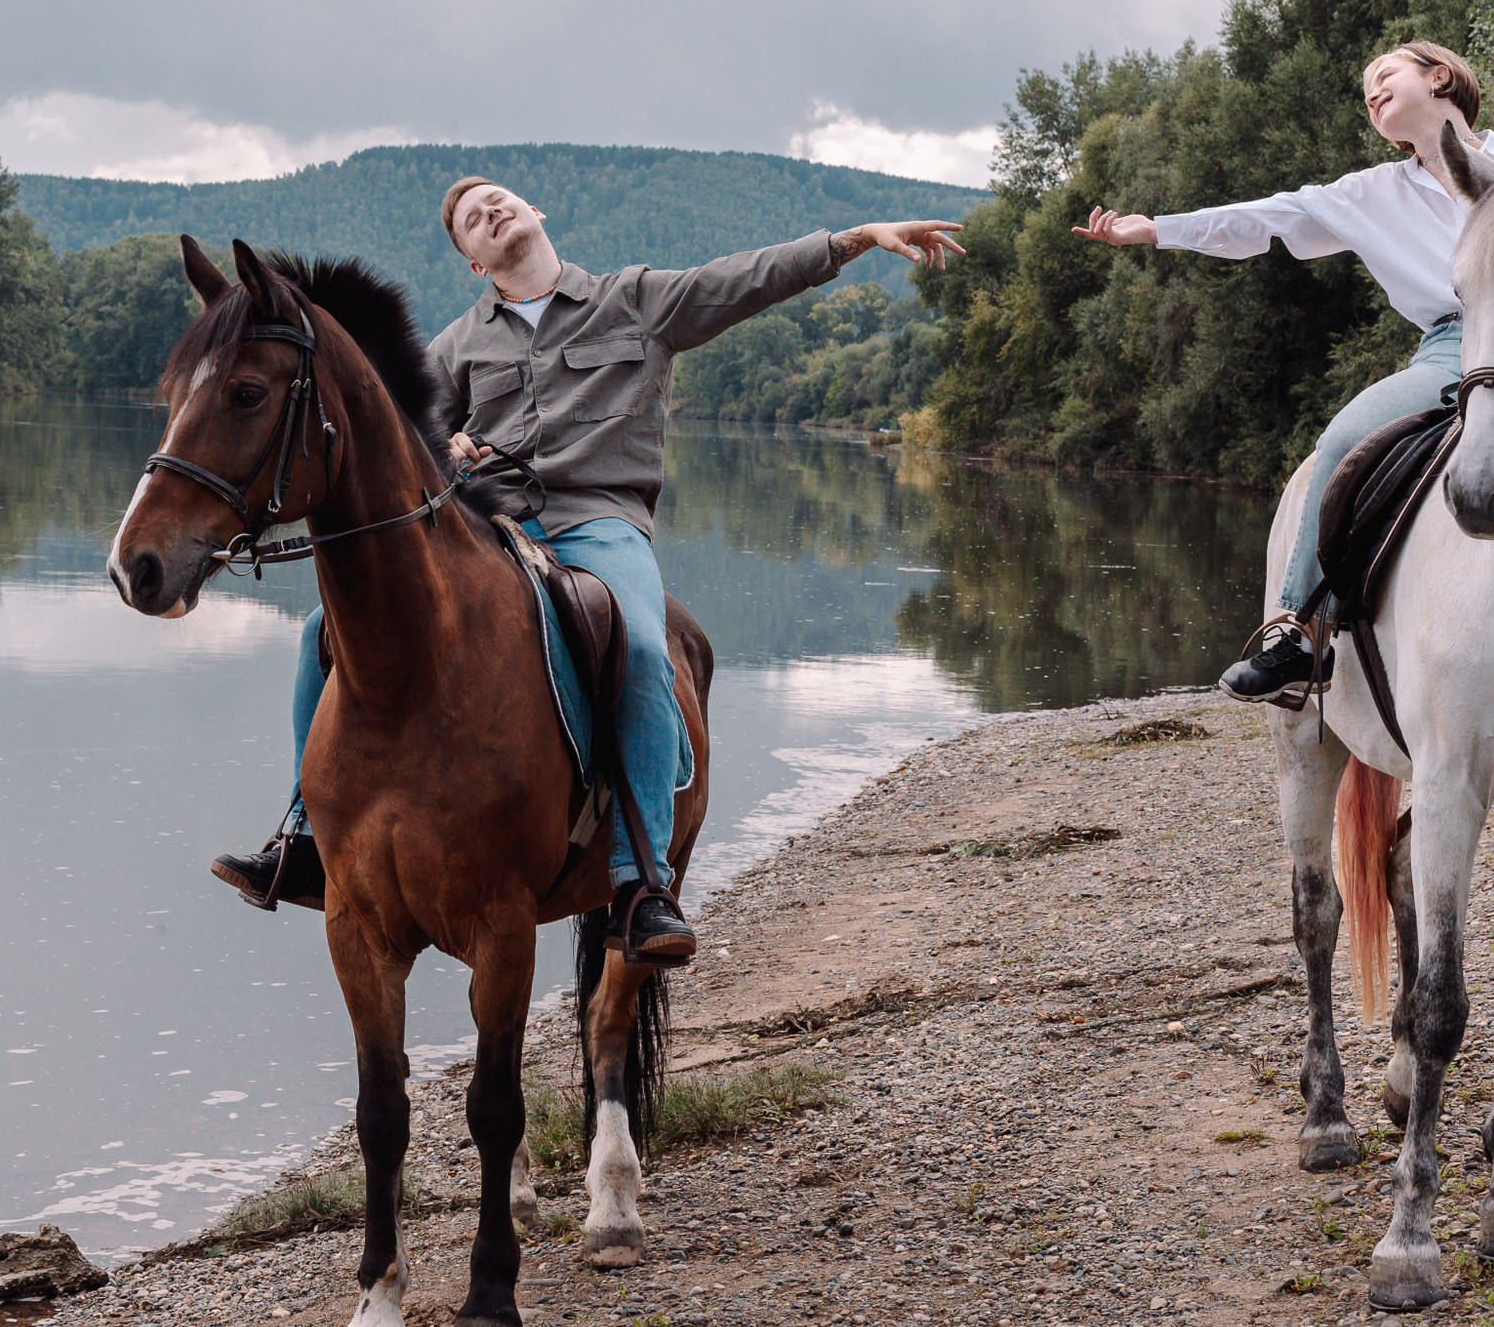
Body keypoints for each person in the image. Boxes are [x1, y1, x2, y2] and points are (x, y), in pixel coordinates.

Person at [212, 179, 966, 958]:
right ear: (473, 261)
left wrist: (860, 236)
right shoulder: (453, 347)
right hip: (491, 525)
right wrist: (446, 445)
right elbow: (385, 433)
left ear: (538, 210)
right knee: (316, 632)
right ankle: (305, 839)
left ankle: (640, 880)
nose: (491, 212)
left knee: (641, 646)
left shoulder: (636, 301)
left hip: (599, 523)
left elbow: (745, 279)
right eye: (472, 219)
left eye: (499, 200)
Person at [1072, 41, 1494, 758]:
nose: (1372, 92)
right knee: (1344, 437)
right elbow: (1264, 220)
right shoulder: (1367, 195)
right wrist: (1156, 230)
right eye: (1365, 90)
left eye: (1384, 75)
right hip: (1451, 345)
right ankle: (1301, 632)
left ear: (1439, 76)